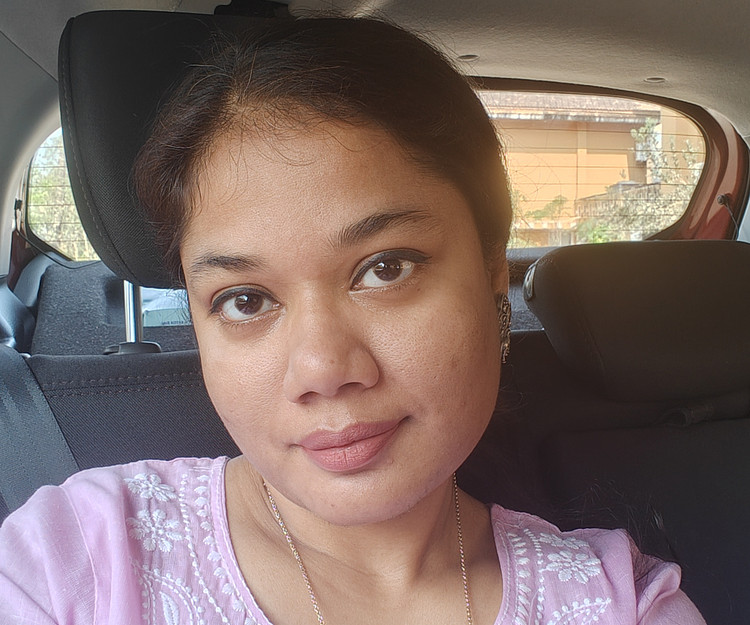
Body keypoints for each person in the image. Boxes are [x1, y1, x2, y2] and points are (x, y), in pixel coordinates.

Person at [0, 16, 704, 625]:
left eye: (385, 268)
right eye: (245, 300)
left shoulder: (620, 604)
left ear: (494, 271)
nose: (323, 370)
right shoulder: (72, 561)